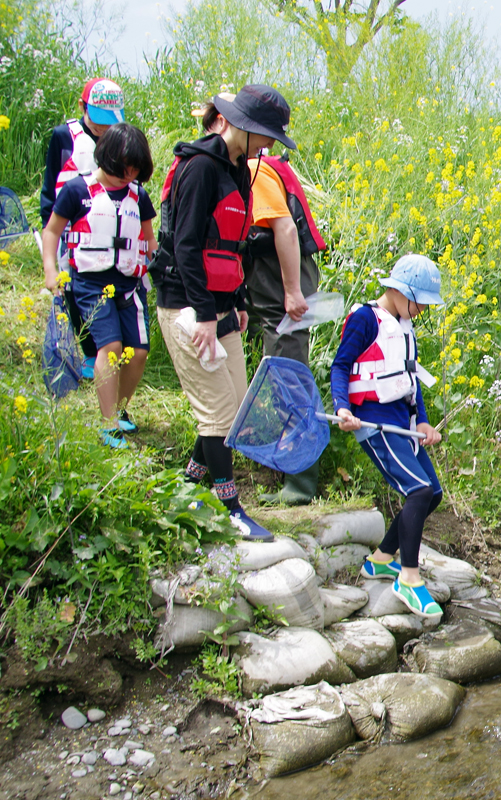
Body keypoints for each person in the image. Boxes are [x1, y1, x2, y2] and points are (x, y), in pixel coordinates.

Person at [150, 84, 298, 542]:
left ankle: (189, 484)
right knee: (216, 413)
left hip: (221, 307)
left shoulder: (239, 171)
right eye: (266, 135)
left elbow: (230, 246)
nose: (271, 145)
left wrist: (236, 305)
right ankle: (230, 505)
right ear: (240, 126)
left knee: (235, 410)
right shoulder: (199, 169)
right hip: (187, 307)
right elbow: (188, 248)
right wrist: (206, 314)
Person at [330, 254, 445, 617]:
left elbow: (412, 382)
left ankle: (380, 560)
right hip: (373, 421)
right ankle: (408, 578)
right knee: (418, 490)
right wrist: (341, 407)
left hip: (402, 421)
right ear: (399, 291)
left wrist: (423, 423)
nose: (421, 311)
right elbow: (341, 365)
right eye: (419, 303)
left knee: (433, 493)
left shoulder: (404, 324)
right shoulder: (365, 319)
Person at [40, 123, 156, 448]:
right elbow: (51, 232)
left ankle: (119, 410)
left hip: (130, 283)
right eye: (122, 169)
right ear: (104, 157)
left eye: (134, 170)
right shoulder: (77, 191)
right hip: (90, 281)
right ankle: (108, 426)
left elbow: (148, 239)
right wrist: (51, 270)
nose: (127, 175)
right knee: (112, 348)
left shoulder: (139, 197)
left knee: (139, 353)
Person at [244, 149, 326, 505]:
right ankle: (290, 469)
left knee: (288, 377)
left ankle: (301, 485)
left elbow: (285, 230)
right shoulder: (260, 166)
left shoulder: (254, 169)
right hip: (273, 284)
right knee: (281, 373)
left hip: (281, 286)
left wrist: (292, 292)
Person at [40, 77, 126, 383]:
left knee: (99, 286)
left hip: (103, 228)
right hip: (67, 224)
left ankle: (100, 347)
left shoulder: (119, 138)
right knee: (72, 288)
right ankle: (89, 350)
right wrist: (47, 223)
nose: (103, 129)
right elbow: (51, 186)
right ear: (82, 107)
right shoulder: (64, 136)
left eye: (110, 121)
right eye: (99, 120)